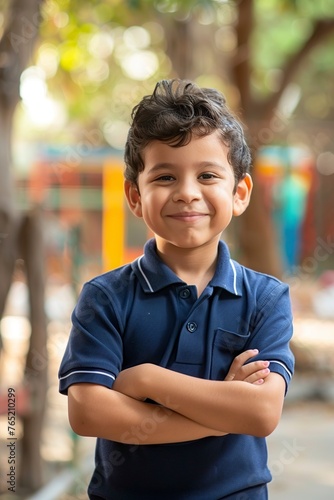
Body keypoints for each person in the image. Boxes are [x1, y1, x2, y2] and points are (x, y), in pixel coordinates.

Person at [58, 79, 294, 499]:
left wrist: (146, 379)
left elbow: (260, 412)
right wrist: (223, 410)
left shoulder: (266, 298)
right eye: (165, 176)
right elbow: (88, 411)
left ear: (239, 193)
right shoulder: (105, 296)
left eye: (207, 175)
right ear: (135, 196)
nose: (187, 193)